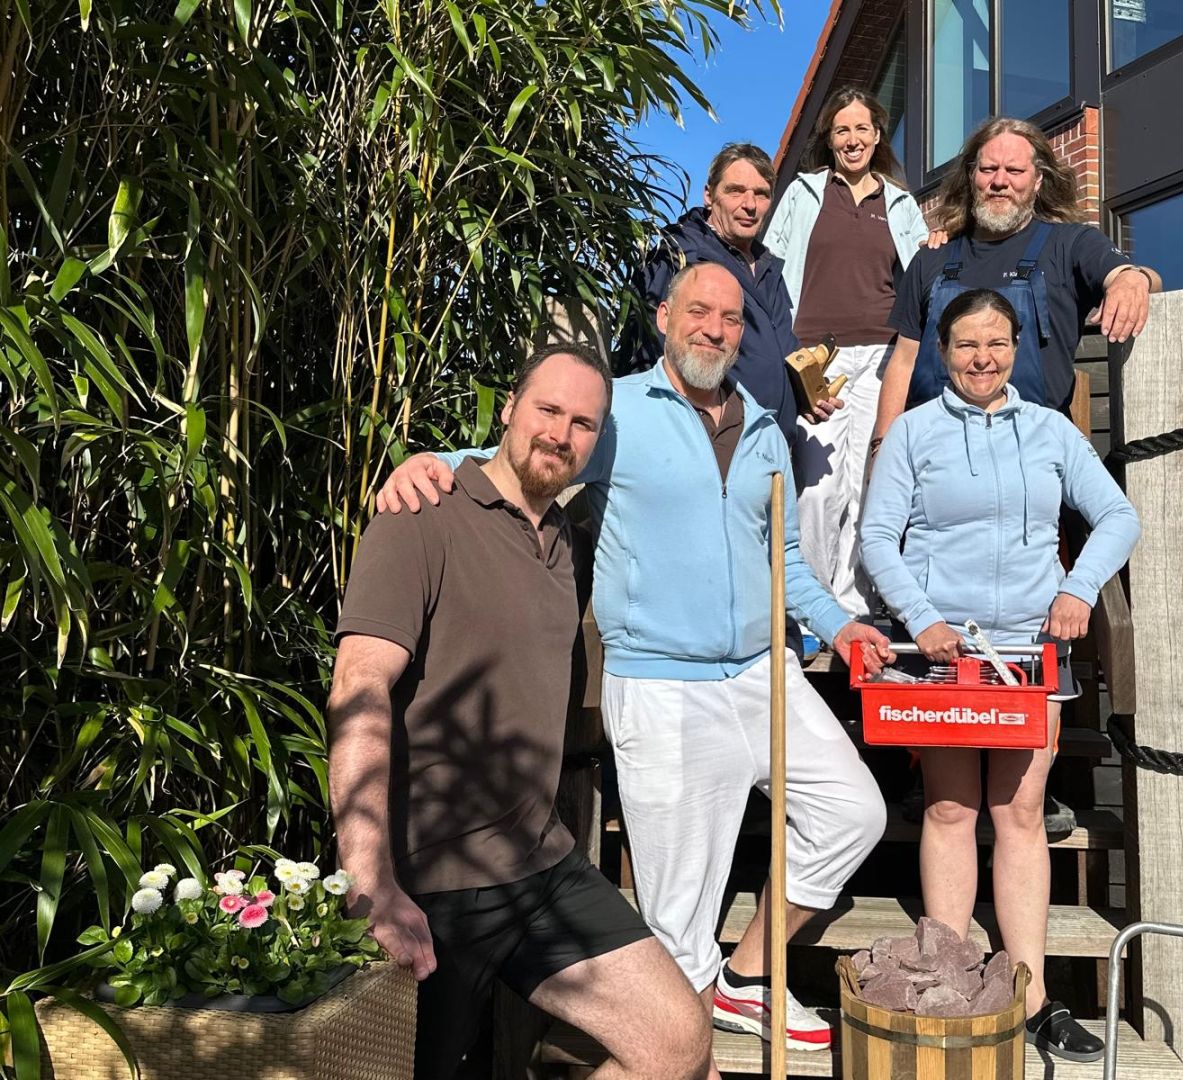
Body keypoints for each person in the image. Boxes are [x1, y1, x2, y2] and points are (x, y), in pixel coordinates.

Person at [376, 263, 891, 1063]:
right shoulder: (616, 415)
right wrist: (431, 460)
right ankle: (681, 1040)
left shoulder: (763, 425)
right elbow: (520, 453)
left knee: (855, 813)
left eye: (730, 318)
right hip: (662, 684)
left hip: (762, 671)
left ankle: (749, 975)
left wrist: (841, 626)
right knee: (677, 935)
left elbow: (785, 556)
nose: (715, 329)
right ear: (664, 318)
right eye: (699, 312)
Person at [329, 344, 711, 1080]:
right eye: (547, 410)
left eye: (584, 423)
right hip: (437, 879)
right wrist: (369, 877)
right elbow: (358, 685)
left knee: (678, 1041)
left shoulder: (562, 538)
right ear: (507, 408)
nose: (561, 433)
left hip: (541, 864)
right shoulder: (421, 515)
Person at [859, 289, 1140, 1063]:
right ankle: (947, 981)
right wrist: (921, 619)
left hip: (1025, 656)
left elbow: (1118, 517)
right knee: (950, 810)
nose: (982, 358)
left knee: (1018, 816)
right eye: (965, 345)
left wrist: (1078, 590)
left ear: (1017, 346)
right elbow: (878, 538)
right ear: (942, 353)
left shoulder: (1050, 431)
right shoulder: (913, 433)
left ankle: (1033, 996)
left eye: (996, 342)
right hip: (942, 657)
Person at [870, 116, 1162, 456]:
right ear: (971, 176)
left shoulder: (1069, 244)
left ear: (1038, 181)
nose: (999, 181)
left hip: (1034, 452)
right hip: (933, 451)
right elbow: (903, 360)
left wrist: (1131, 278)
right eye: (989, 169)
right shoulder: (931, 259)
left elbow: (1144, 276)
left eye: (1014, 171)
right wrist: (882, 447)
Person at [765, 87, 931, 616]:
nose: (852, 139)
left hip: (883, 359)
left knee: (868, 483)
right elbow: (771, 270)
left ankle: (857, 605)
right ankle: (811, 603)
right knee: (816, 488)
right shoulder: (804, 193)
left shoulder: (901, 203)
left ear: (878, 136)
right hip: (818, 358)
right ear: (830, 139)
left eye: (862, 129)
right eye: (842, 130)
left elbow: (924, 272)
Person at [617, 143, 840, 444]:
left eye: (761, 194)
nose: (750, 204)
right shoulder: (679, 255)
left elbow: (780, 356)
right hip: (703, 446)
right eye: (736, 191)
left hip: (769, 450)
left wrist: (804, 396)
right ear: (709, 195)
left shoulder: (769, 268)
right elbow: (643, 357)